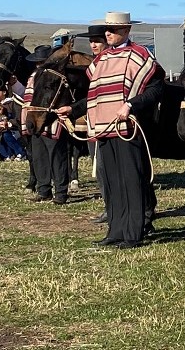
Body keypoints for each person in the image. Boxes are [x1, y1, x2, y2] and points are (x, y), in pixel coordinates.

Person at [57, 12, 164, 249]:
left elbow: (157, 90)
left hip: (129, 129)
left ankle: (134, 233)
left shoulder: (141, 56)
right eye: (107, 30)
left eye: (113, 30)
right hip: (103, 129)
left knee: (132, 181)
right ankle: (115, 231)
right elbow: (96, 96)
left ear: (126, 31)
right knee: (112, 182)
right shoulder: (100, 60)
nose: (108, 34)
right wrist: (73, 110)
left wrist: (131, 105)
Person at [23, 45, 70, 204]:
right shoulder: (34, 77)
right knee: (39, 155)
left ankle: (61, 192)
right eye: (37, 63)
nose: (38, 65)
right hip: (34, 119)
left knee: (57, 156)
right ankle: (44, 189)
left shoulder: (53, 76)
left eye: (41, 62)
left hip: (52, 119)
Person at [75, 25, 109, 224]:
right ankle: (108, 205)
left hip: (107, 122)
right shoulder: (94, 65)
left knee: (106, 167)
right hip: (93, 121)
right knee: (99, 168)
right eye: (91, 41)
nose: (94, 45)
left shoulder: (107, 64)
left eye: (97, 41)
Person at [0, 85, 26, 161]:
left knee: (6, 134)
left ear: (4, 92)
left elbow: (19, 117)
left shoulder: (12, 103)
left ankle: (21, 153)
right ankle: (7, 154)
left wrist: (9, 123)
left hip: (13, 128)